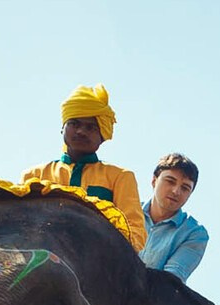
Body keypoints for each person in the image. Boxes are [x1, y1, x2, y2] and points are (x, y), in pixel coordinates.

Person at [21, 85, 148, 251]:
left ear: (102, 136)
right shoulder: (34, 175)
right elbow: (22, 223)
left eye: (91, 127)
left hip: (98, 258)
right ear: (62, 128)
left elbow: (134, 233)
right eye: (74, 123)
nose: (81, 131)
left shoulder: (120, 177)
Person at [140, 153, 209, 279]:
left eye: (185, 188)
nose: (176, 191)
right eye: (170, 181)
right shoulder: (125, 211)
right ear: (154, 181)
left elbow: (170, 280)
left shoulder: (194, 233)